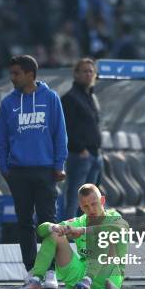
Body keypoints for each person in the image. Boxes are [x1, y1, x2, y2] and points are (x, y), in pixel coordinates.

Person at [0, 55, 68, 289]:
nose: (12, 78)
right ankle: (31, 270)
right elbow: (1, 139)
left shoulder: (51, 98)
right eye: (11, 73)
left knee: (48, 222)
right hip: (18, 171)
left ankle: (50, 271)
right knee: (24, 222)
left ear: (30, 74)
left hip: (46, 170)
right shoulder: (8, 103)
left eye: (16, 73)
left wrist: (59, 164)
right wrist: (4, 167)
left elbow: (60, 134)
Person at [19, 184, 128, 289]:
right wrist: (53, 227)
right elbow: (41, 231)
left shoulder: (114, 217)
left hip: (108, 282)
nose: (90, 209)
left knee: (103, 234)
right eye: (86, 206)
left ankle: (88, 279)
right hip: (78, 284)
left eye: (94, 204)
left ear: (102, 200)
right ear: (80, 207)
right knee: (54, 235)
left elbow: (120, 229)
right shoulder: (79, 221)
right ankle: (36, 281)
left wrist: (83, 231)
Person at [61, 58, 102, 220]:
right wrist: (80, 149)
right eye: (84, 71)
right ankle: (68, 235)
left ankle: (83, 234)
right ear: (76, 74)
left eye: (91, 71)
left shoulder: (92, 97)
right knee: (74, 198)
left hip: (94, 155)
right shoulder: (70, 98)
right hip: (79, 156)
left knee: (91, 202)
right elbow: (66, 129)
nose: (88, 74)